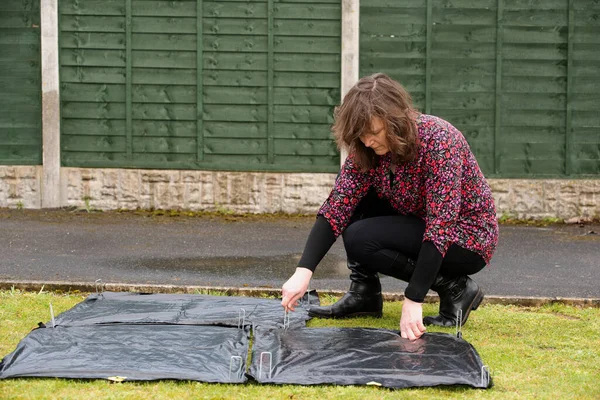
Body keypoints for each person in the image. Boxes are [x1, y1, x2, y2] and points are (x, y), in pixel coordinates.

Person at [280, 73, 499, 341]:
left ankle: (455, 287)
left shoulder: (440, 140)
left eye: (373, 133)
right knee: (354, 196)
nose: (367, 142)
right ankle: (365, 294)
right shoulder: (369, 150)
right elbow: (337, 206)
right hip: (418, 223)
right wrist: (303, 272)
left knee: (362, 238)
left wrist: (413, 298)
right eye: (361, 136)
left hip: (466, 238)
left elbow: (441, 225)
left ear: (395, 120)